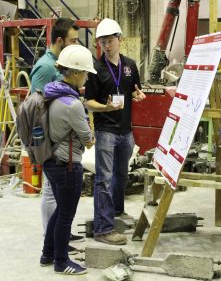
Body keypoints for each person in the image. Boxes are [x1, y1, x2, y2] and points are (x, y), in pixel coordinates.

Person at [84, 18, 146, 245]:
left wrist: (138, 96)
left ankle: (117, 212)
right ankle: (103, 229)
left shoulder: (130, 66)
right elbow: (88, 102)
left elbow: (135, 91)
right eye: (102, 42)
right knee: (104, 179)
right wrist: (106, 107)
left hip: (125, 131)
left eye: (110, 41)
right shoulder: (95, 69)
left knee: (121, 176)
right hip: (106, 131)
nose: (106, 46)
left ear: (119, 40)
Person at [40, 45, 96, 275]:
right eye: (84, 72)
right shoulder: (72, 104)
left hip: (51, 161)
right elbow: (88, 139)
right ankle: (61, 262)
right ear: (73, 73)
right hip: (67, 166)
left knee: (59, 211)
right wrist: (89, 133)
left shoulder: (51, 93)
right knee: (66, 216)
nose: (86, 76)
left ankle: (47, 254)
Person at [30, 18, 83, 252]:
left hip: (61, 140)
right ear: (60, 41)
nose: (75, 46)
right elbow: (35, 106)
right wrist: (43, 144)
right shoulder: (45, 67)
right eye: (72, 41)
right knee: (51, 191)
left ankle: (59, 235)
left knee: (58, 195)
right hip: (51, 142)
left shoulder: (59, 63)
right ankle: (49, 239)